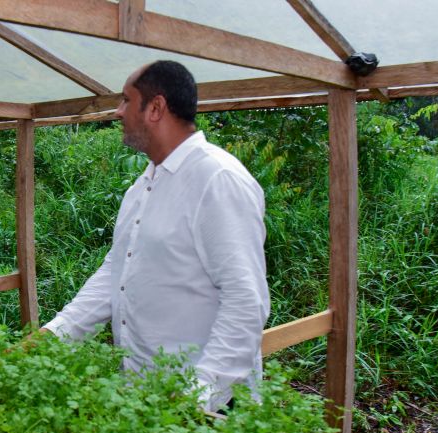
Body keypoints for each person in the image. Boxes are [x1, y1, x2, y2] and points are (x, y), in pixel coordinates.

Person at [41, 61, 270, 412]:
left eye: (125, 100)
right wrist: (57, 333)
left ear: (155, 108)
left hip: (206, 405)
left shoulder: (217, 179)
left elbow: (246, 300)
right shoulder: (142, 187)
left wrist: (200, 395)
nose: (118, 112)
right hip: (147, 395)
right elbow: (116, 272)